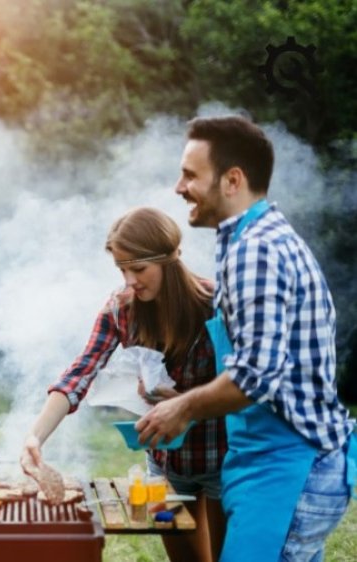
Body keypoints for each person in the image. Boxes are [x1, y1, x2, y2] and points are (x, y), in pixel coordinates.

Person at [137, 115, 356, 561]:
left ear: (232, 179)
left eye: (190, 175)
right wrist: (187, 395)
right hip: (270, 463)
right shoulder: (248, 240)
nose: (179, 187)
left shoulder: (256, 249)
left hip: (290, 465)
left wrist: (184, 407)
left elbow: (256, 375)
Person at [21, 207, 227, 562]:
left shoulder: (216, 304)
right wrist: (34, 437)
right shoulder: (121, 307)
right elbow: (80, 373)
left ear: (170, 259)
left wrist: (185, 402)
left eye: (138, 269)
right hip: (164, 468)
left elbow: (242, 386)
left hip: (221, 459)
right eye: (121, 269)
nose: (129, 280)